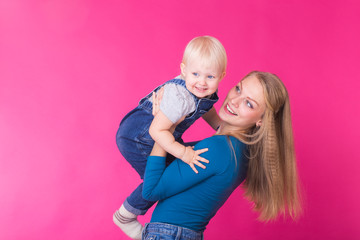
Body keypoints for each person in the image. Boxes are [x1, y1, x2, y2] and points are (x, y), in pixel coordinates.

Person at [141, 71, 301, 240]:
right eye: (238, 89)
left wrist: (163, 128)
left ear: (261, 120)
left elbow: (151, 191)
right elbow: (218, 128)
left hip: (168, 235)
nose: (234, 101)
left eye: (249, 103)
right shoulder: (241, 150)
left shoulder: (218, 148)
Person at [113, 36, 227, 239]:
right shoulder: (179, 96)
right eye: (195, 74)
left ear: (221, 75)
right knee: (160, 180)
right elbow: (156, 131)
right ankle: (125, 215)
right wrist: (183, 153)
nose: (201, 82)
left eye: (210, 77)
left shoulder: (202, 91)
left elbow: (205, 108)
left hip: (163, 134)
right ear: (183, 70)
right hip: (138, 138)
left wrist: (219, 126)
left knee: (185, 165)